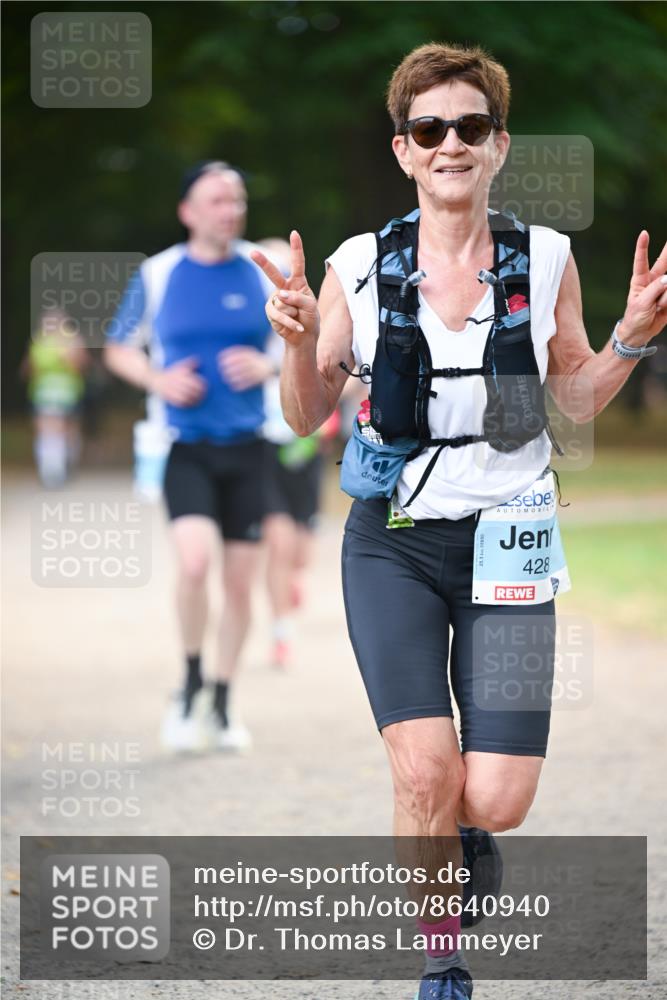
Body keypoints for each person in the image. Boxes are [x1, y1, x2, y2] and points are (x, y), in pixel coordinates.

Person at [251, 42, 667, 999]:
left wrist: (628, 341)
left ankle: (468, 835)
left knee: (494, 797)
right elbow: (305, 414)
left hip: (510, 540)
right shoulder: (360, 264)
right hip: (392, 544)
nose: (450, 143)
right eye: (429, 128)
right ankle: (442, 958)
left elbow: (569, 401)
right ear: (404, 150)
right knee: (425, 770)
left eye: (469, 127)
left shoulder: (547, 256)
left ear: (498, 145)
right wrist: (302, 343)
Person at [104, 161, 277, 753]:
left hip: (251, 450)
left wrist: (268, 365)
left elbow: (305, 345)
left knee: (238, 584)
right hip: (186, 449)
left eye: (237, 199)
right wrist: (158, 380)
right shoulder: (159, 274)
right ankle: (190, 681)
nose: (229, 210)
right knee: (195, 564)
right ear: (187, 211)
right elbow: (118, 349)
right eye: (216, 201)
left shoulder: (263, 270)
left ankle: (224, 701)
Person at [258, 237, 334, 669]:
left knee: (302, 551)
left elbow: (340, 372)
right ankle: (281, 632)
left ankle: (294, 580)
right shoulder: (244, 323)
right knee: (279, 543)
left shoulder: (311, 318)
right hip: (262, 445)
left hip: (305, 446)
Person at [23, 308, 88, 488]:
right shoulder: (39, 341)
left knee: (68, 432)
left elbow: (81, 366)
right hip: (43, 393)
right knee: (47, 430)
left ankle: (67, 464)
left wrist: (66, 355)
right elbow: (28, 368)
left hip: (68, 394)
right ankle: (50, 470)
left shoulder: (73, 341)